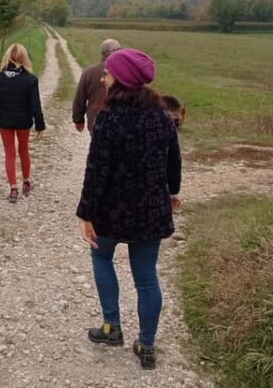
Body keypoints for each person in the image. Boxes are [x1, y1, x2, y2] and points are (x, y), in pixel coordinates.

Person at [75, 48, 181, 371]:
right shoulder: (162, 116)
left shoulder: (109, 118)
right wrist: (172, 193)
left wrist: (85, 213)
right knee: (147, 277)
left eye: (107, 73)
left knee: (101, 257)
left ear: (120, 79)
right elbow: (173, 162)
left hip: (110, 209)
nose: (103, 78)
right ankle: (146, 345)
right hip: (150, 209)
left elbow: (97, 171)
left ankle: (112, 327)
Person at [0, 43, 45, 203]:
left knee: (9, 153)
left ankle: (13, 188)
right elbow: (35, 105)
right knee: (23, 150)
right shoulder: (30, 79)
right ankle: (27, 182)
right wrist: (40, 126)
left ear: (8, 57)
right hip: (23, 121)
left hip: (4, 120)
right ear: (24, 58)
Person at [72, 38, 121, 133]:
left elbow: (80, 98)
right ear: (115, 51)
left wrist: (78, 120)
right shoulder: (126, 71)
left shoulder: (89, 72)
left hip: (96, 121)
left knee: (98, 146)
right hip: (120, 122)